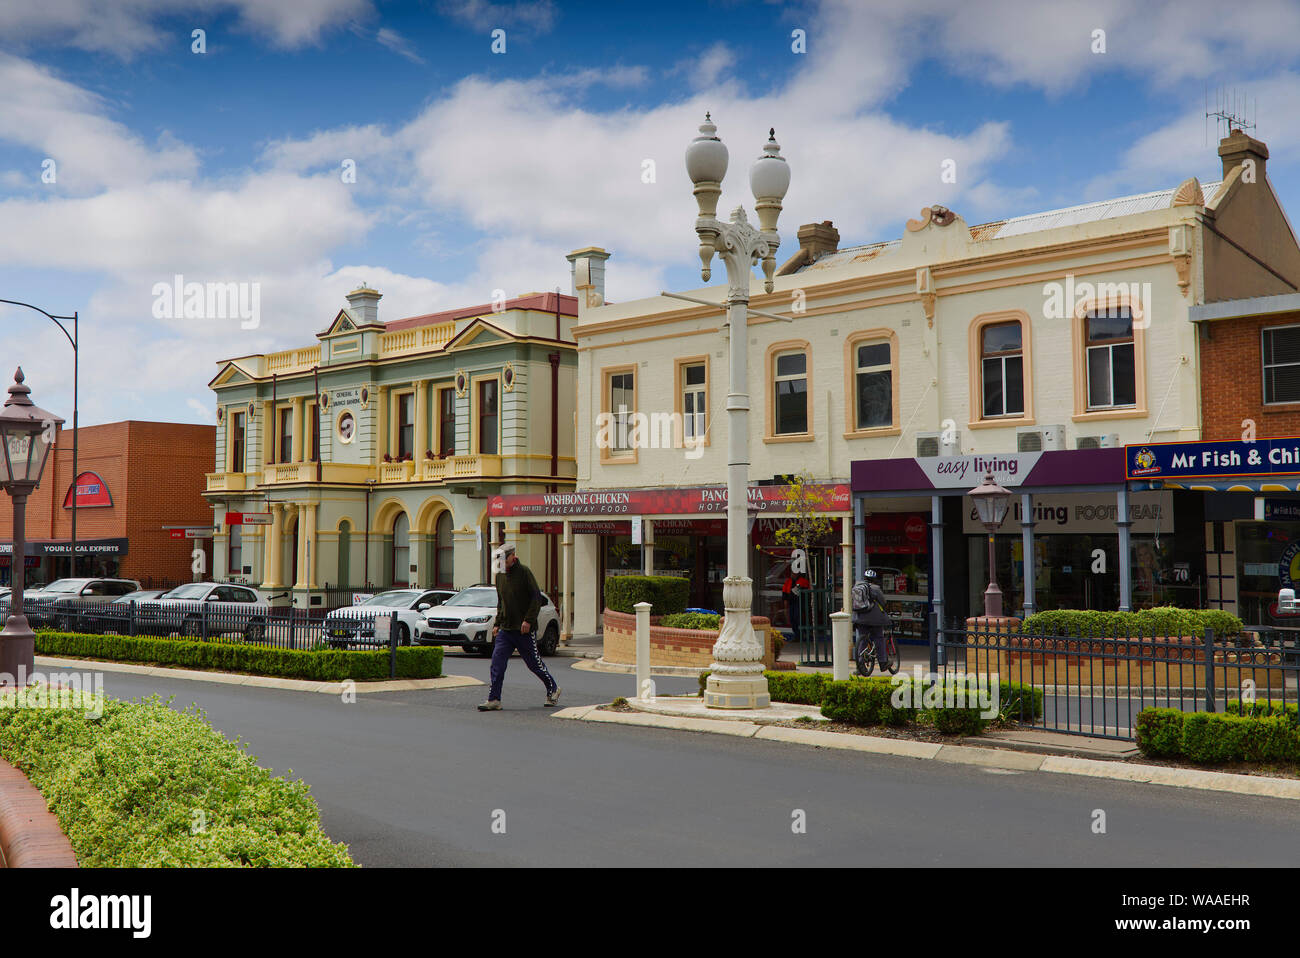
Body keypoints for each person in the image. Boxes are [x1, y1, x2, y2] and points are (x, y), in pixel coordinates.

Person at [478, 542, 561, 711]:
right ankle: (494, 699)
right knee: (497, 664)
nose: (502, 563)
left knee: (534, 664)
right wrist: (497, 623)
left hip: (524, 630)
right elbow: (501, 601)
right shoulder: (499, 575)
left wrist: (528, 620)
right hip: (506, 630)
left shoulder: (524, 572)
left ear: (512, 557)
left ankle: (553, 688)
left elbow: (536, 598)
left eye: (504, 560)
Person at [851, 568, 890, 671]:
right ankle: (883, 663)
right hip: (874, 619)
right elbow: (883, 602)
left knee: (863, 639)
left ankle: (860, 665)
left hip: (859, 618)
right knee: (879, 638)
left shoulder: (857, 587)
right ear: (875, 579)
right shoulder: (875, 588)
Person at [782, 566, 812, 638]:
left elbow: (808, 593)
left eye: (795, 573)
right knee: (792, 619)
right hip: (792, 603)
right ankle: (797, 635)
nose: (793, 574)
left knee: (799, 619)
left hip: (801, 604)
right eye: (792, 573)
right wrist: (785, 605)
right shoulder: (788, 582)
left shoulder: (803, 581)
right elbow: (785, 594)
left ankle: (802, 635)